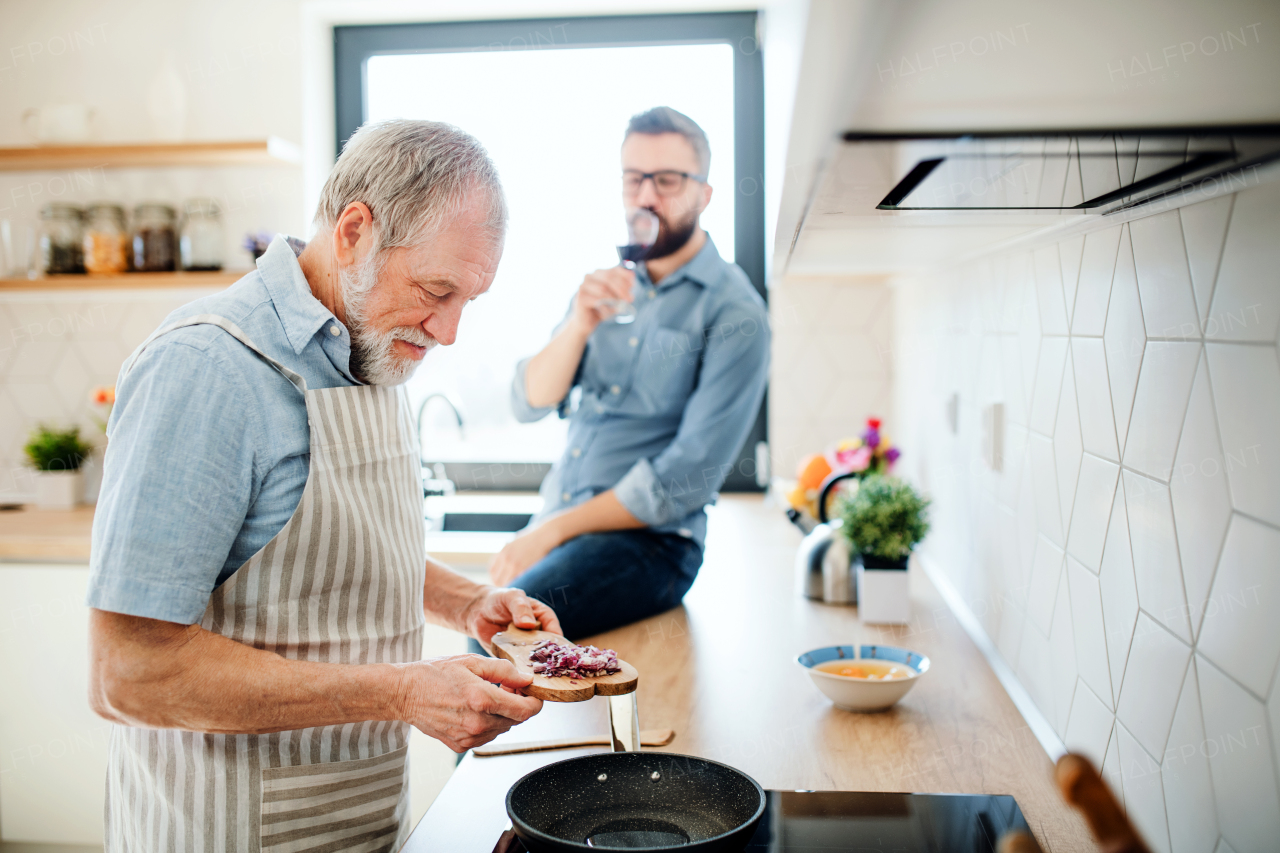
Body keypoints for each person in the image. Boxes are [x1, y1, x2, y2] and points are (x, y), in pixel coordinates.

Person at [86, 120, 559, 853]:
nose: (450, 329)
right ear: (353, 232)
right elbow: (129, 671)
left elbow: (333, 549)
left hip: (363, 820)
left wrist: (466, 600)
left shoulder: (370, 343)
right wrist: (403, 690)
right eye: (437, 289)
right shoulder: (207, 368)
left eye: (469, 299)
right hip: (226, 831)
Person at [491, 106, 770, 639]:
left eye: (666, 181)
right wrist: (577, 327)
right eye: (633, 179)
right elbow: (527, 403)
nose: (645, 197)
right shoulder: (602, 291)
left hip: (654, 546)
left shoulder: (736, 314)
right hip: (561, 523)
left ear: (704, 194)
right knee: (487, 624)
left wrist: (549, 532)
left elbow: (683, 478)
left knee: (504, 630)